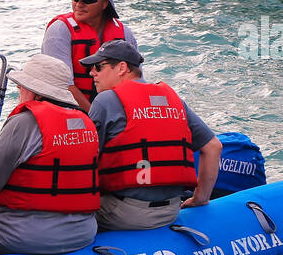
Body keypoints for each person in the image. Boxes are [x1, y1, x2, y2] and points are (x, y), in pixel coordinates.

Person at [80, 40, 221, 231]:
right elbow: (213, 146)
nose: (92, 73)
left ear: (122, 68)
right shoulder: (171, 99)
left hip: (124, 213)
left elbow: (83, 161)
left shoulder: (106, 100)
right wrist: (199, 198)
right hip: (170, 211)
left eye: (98, 66)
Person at [0, 54, 99, 254]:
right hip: (83, 233)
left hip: (22, 236)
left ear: (37, 92)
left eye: (22, 84)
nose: (18, 88)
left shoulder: (24, 123)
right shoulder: (86, 122)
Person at [42, 0, 138, 113]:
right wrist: (95, 118)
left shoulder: (125, 33)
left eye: (87, 0)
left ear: (105, 3)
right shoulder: (59, 31)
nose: (79, 4)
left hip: (113, 111)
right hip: (68, 110)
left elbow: (134, 80)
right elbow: (62, 85)